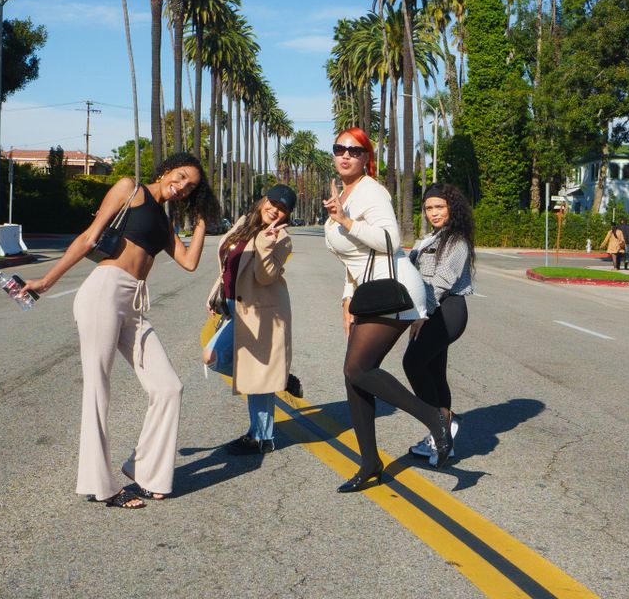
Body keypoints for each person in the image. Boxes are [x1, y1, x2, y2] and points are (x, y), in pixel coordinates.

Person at [25, 153, 219, 509]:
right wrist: (46, 281)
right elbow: (89, 238)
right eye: (180, 177)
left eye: (190, 187)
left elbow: (190, 262)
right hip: (105, 291)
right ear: (166, 170)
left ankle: (146, 471)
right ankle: (100, 485)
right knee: (98, 388)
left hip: (135, 303)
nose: (181, 187)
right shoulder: (130, 189)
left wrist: (202, 220)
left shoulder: (165, 224)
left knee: (169, 387)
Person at [322, 127, 453, 493]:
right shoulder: (343, 194)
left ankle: (434, 419)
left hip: (393, 289)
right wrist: (346, 300)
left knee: (358, 368)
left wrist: (345, 220)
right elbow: (353, 259)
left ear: (366, 158)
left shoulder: (372, 191)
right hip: (369, 293)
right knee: (354, 376)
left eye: (354, 150)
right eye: (339, 148)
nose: (345, 155)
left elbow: (389, 240)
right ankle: (370, 463)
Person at [203, 184, 300, 455]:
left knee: (212, 356)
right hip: (234, 305)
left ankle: (261, 437)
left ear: (287, 214)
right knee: (247, 369)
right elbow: (228, 262)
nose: (274, 210)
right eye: (272, 203)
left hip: (260, 313)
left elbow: (265, 277)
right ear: (263, 200)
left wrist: (266, 244)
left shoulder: (282, 239)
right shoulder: (244, 222)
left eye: (282, 209)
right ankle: (275, 384)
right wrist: (216, 294)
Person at [403, 184, 474, 462]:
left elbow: (441, 282)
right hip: (433, 308)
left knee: (412, 363)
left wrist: (423, 314)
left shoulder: (457, 241)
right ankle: (441, 440)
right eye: (429, 208)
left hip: (447, 310)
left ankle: (443, 423)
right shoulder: (429, 239)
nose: (434, 213)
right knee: (434, 374)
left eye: (439, 207)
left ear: (451, 208)